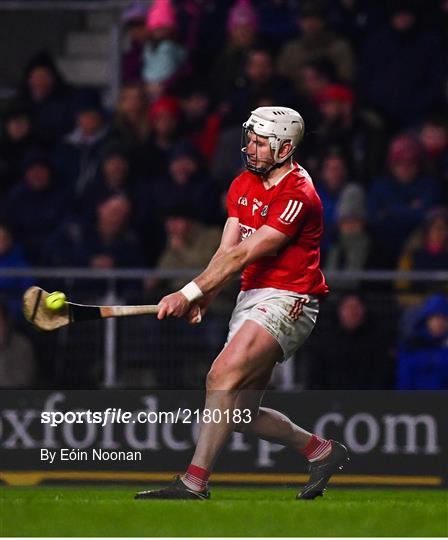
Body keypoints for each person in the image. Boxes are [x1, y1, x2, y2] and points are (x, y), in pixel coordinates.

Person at [135, 106, 348, 501]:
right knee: (239, 416)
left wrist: (187, 292)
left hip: (290, 299)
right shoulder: (241, 184)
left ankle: (194, 482)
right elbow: (226, 250)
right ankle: (321, 452)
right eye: (249, 138)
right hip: (250, 297)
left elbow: (245, 254)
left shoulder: (297, 193)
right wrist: (208, 293)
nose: (250, 147)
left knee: (219, 377)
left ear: (285, 147)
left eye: (259, 142)